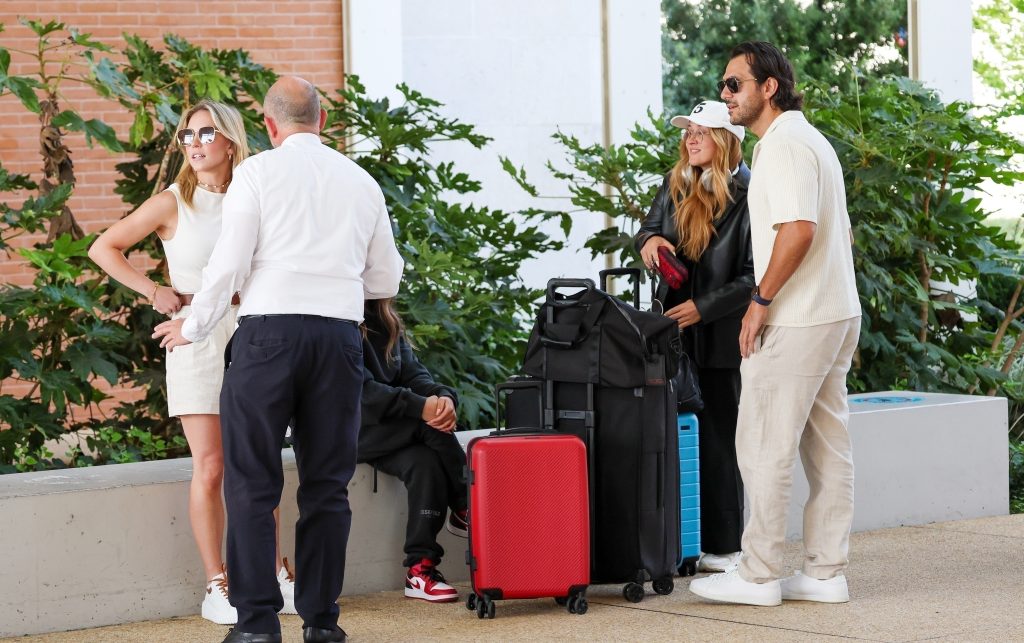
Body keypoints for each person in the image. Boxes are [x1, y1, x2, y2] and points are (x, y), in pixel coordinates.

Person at [153, 76, 404, 643]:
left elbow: (229, 265)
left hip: (268, 339)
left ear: (268, 126)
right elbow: (386, 276)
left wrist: (194, 327)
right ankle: (321, 624)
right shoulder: (361, 181)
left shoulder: (258, 174)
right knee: (326, 485)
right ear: (322, 122)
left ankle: (258, 627)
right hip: (339, 340)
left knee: (251, 484)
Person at [88, 99, 296, 625]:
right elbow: (104, 247)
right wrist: (152, 288)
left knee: (258, 463)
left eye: (206, 134)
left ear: (230, 140)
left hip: (254, 330)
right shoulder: (173, 202)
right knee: (212, 467)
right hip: (195, 336)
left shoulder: (257, 191)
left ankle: (271, 572)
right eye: (186, 136)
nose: (195, 144)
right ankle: (217, 582)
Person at [688, 41, 861, 607]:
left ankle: (758, 574)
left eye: (735, 84)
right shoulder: (811, 140)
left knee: (763, 444)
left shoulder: (782, 146)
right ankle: (824, 572)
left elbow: (799, 230)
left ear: (769, 87)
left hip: (798, 317)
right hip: (835, 312)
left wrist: (759, 301)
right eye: (723, 85)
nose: (725, 95)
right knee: (826, 447)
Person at [634, 100, 753, 574]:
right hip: (674, 336)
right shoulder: (675, 183)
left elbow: (755, 275)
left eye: (703, 131)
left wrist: (703, 309)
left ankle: (725, 548)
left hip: (722, 335)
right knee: (677, 435)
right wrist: (649, 243)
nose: (692, 138)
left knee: (721, 440)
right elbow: (647, 228)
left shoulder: (751, 193)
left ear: (727, 140)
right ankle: (685, 542)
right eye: (688, 131)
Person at [356, 298, 469, 604]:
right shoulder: (340, 321)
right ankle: (466, 503)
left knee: (425, 463)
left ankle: (420, 570)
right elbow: (361, 395)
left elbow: (415, 377)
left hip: (390, 430)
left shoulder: (386, 319)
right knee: (430, 426)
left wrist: (442, 398)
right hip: (350, 432)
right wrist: (422, 408)